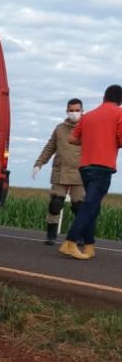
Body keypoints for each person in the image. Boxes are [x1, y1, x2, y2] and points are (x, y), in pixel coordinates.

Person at [59, 84, 122, 260]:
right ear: (120, 100)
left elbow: (72, 138)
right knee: (90, 206)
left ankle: (88, 246)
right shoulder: (119, 113)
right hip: (103, 167)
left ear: (104, 98)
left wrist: (90, 141)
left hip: (85, 167)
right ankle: (70, 242)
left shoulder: (88, 116)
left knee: (93, 206)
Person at [31, 99, 84, 244]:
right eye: (71, 110)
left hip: (80, 173)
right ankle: (51, 235)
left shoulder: (88, 127)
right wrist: (39, 164)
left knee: (79, 206)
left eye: (77, 110)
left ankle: (80, 236)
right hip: (60, 171)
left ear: (82, 111)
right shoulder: (60, 129)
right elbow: (50, 147)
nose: (74, 113)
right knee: (55, 204)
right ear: (67, 111)